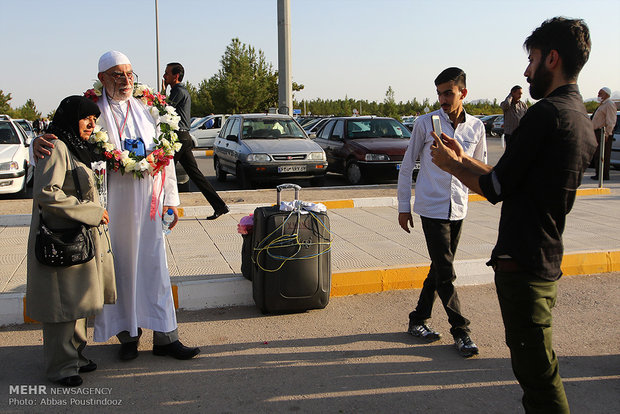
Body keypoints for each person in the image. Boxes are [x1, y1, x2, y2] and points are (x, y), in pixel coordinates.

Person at [429, 17, 596, 413]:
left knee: (539, 379)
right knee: (536, 375)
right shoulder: (579, 119)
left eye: (533, 59)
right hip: (543, 258)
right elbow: (512, 180)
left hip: (525, 266)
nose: (526, 70)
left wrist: (451, 167)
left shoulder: (546, 115)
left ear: (552, 58)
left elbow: (496, 189)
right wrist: (464, 158)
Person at [34, 51, 200, 361]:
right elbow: (61, 136)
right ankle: (128, 337)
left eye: (129, 73)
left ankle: (166, 337)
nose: (125, 80)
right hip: (113, 207)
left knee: (156, 269)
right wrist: (37, 143)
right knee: (119, 270)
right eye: (116, 74)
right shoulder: (92, 109)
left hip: (150, 205)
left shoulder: (151, 107)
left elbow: (166, 158)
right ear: (101, 79)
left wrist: (172, 202)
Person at [397, 67, 487, 358]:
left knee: (439, 268)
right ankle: (461, 330)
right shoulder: (425, 123)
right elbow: (407, 166)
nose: (443, 99)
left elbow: (479, 168)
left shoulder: (476, 127)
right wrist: (403, 207)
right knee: (446, 271)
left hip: (458, 207)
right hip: (431, 206)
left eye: (448, 92)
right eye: (439, 93)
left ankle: (418, 319)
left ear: (463, 92)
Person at [27, 96, 116, 387]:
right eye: (85, 118)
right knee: (61, 306)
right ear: (70, 119)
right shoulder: (56, 148)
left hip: (77, 236)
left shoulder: (75, 147)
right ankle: (61, 366)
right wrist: (92, 212)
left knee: (77, 302)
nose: (92, 124)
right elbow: (47, 193)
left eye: (94, 119)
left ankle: (75, 357)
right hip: (61, 238)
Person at [163, 63, 229, 220]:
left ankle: (162, 210)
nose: (164, 77)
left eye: (167, 73)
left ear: (176, 76)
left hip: (178, 137)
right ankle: (220, 206)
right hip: (183, 137)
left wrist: (163, 90)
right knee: (196, 175)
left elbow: (164, 110)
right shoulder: (179, 90)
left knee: (163, 172)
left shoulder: (178, 91)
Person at [591, 86, 616, 180]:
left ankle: (603, 175)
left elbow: (611, 121)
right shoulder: (602, 104)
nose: (598, 95)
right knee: (598, 154)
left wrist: (606, 134)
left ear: (606, 94)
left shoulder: (609, 104)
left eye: (600, 93)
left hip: (603, 133)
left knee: (603, 155)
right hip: (597, 132)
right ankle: (598, 174)